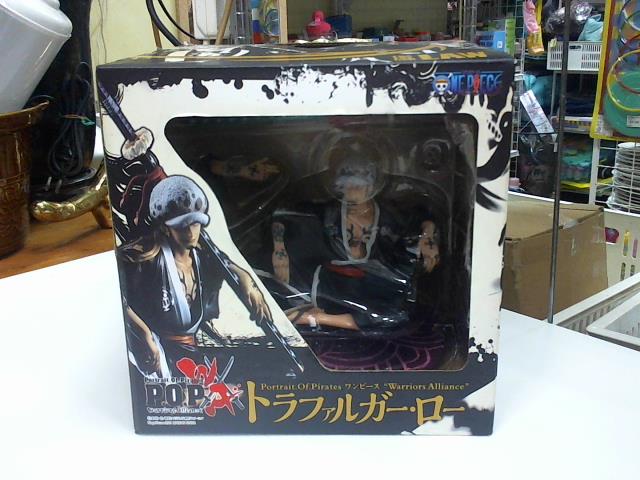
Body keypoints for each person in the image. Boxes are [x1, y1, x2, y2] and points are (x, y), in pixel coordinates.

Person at [266, 135, 441, 335]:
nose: (352, 192)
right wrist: (279, 249)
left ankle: (317, 318)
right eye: (346, 186)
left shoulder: (390, 216)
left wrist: (428, 238)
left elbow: (423, 217)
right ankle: (313, 315)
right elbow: (283, 215)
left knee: (395, 314)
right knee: (269, 289)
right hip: (329, 280)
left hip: (370, 283)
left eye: (358, 186)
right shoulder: (328, 212)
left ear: (371, 186)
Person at [118, 175, 271, 378]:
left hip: (189, 355)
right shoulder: (146, 258)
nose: (190, 232)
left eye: (196, 224)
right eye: (182, 226)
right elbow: (115, 294)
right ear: (165, 226)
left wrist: (247, 281)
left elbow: (227, 265)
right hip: (153, 356)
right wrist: (143, 333)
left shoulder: (203, 258)